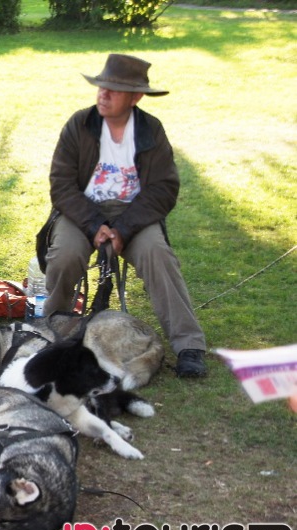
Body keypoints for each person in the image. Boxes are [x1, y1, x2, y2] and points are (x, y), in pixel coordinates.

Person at [39, 53, 207, 378]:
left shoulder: (150, 130)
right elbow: (61, 185)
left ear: (135, 97)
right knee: (65, 255)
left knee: (159, 255)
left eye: (113, 90)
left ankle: (189, 345)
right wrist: (94, 225)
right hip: (82, 211)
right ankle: (51, 331)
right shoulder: (79, 125)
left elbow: (164, 188)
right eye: (101, 86)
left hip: (134, 213)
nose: (103, 94)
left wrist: (124, 229)